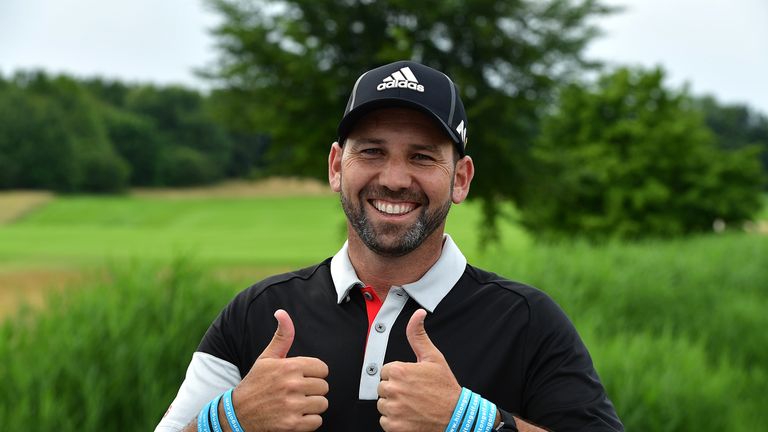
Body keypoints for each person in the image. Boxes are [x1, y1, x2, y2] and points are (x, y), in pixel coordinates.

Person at [156, 60, 624, 432]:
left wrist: (477, 424)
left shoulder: (527, 322)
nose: (395, 179)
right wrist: (229, 421)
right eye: (372, 151)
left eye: (422, 157)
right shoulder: (256, 313)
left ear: (460, 179)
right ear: (337, 166)